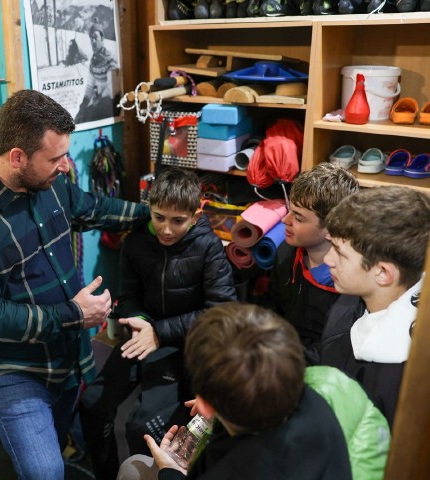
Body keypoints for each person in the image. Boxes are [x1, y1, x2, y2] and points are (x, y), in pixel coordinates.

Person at [0, 89, 150, 480]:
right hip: (14, 371)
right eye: (55, 158)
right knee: (45, 471)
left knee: (62, 438)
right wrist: (74, 314)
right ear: (17, 157)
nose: (65, 166)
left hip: (68, 358)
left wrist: (159, 216)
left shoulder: (51, 185)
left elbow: (97, 209)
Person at [79, 167, 237, 480]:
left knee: (142, 427)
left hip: (186, 344)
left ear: (195, 216)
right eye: (159, 217)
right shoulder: (136, 243)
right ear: (149, 209)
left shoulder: (208, 247)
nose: (166, 229)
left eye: (177, 221)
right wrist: (140, 321)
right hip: (144, 334)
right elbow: (130, 295)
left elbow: (221, 311)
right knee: (92, 405)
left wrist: (159, 333)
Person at [124, 303, 353, 480]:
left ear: (204, 405)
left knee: (130, 467)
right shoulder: (314, 402)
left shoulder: (236, 469)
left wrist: (171, 472)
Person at [317, 186, 430, 427]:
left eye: (340, 253)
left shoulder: (402, 380)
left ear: (382, 273)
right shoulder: (355, 297)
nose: (327, 259)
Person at [255, 162, 359, 362]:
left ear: (331, 229)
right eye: (290, 210)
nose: (285, 220)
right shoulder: (286, 253)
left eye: (299, 218)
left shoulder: (349, 283)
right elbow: (271, 307)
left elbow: (335, 350)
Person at [74, 16, 120, 124]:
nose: (93, 41)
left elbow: (112, 88)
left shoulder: (110, 58)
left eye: (95, 37)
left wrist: (96, 102)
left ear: (102, 39)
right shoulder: (94, 61)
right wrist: (83, 105)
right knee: (79, 117)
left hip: (111, 100)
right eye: (91, 38)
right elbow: (90, 86)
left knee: (89, 117)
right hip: (99, 100)